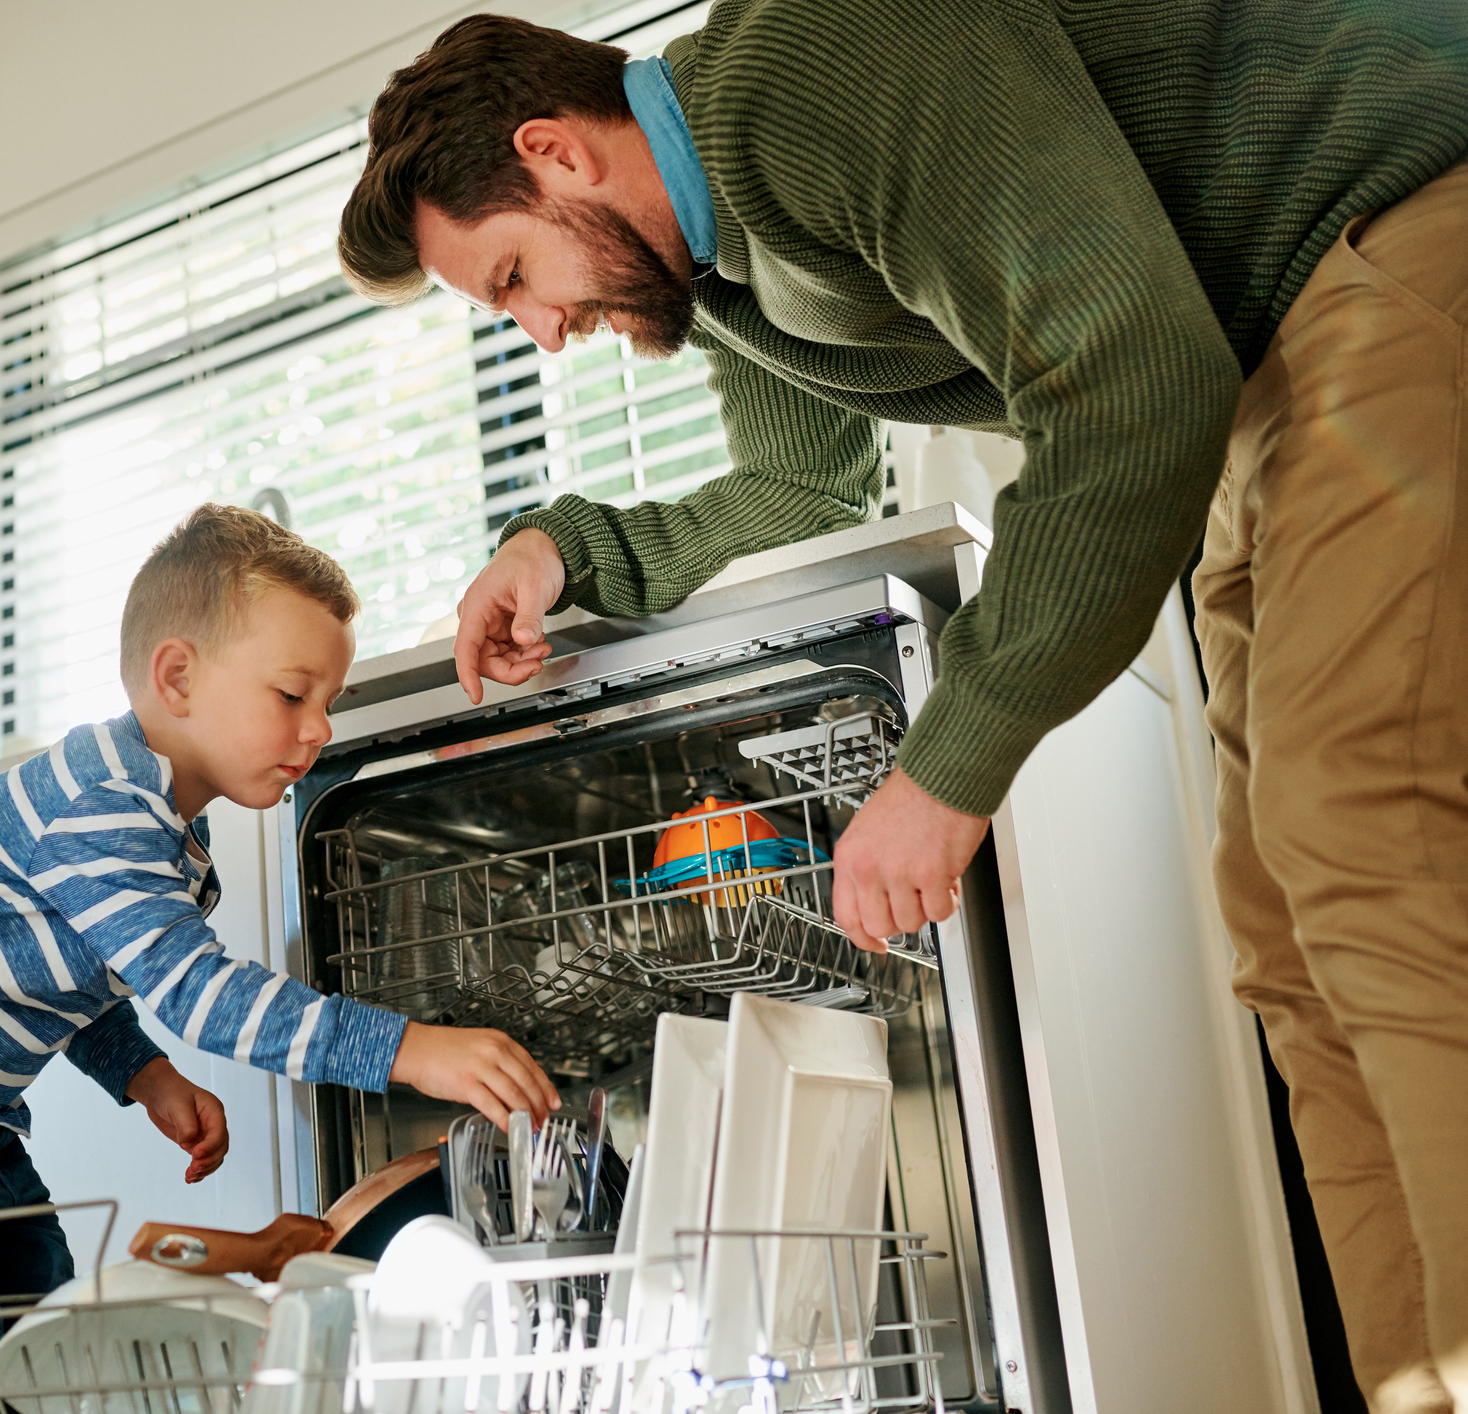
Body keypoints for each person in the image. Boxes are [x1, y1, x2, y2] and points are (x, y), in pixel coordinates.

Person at [336, 4, 1468, 1409]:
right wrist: (563, 547)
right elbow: (799, 489)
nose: (544, 333)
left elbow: (1131, 379)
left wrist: (947, 768)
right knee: (1285, 938)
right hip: (1257, 375)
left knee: (1357, 829)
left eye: (513, 277)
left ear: (557, 150)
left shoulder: (819, 61)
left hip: (1397, 221)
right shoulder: (730, 275)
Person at [0, 504, 559, 1414]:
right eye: (292, 696)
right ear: (177, 675)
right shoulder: (100, 804)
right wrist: (413, 1050)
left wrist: (144, 1074)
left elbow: (67, 963)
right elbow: (206, 994)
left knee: (41, 1352)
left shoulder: (157, 822)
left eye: (325, 705)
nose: (319, 729)